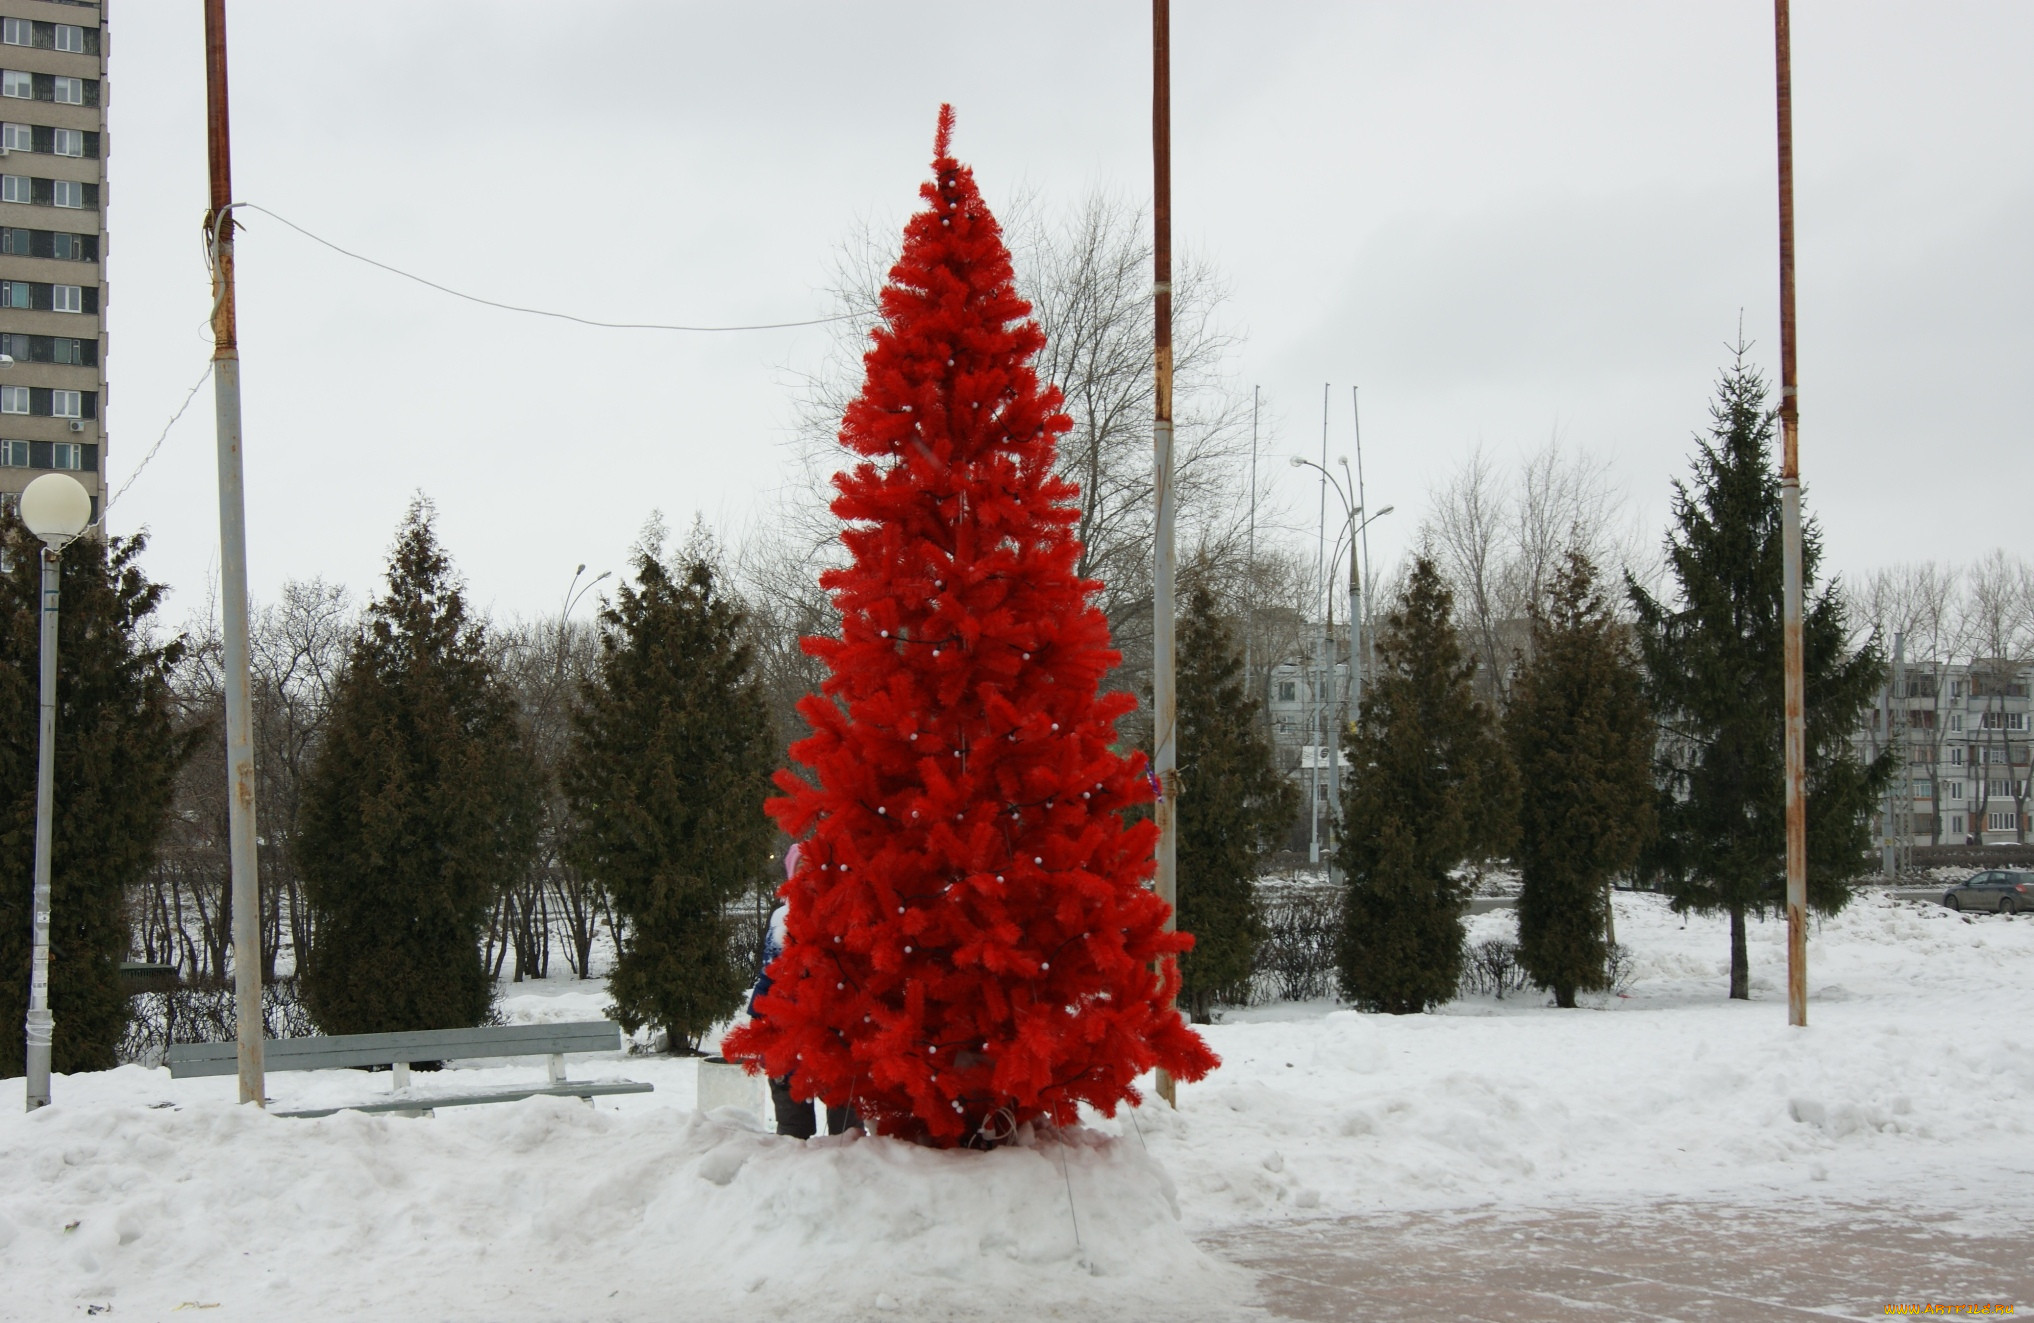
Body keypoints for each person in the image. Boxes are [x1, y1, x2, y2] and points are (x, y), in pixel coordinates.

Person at [750, 842, 857, 1138]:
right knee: (793, 1126)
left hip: (836, 1035)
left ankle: (850, 1171)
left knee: (846, 1126)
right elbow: (768, 979)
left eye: (813, 869)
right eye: (801, 870)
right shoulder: (781, 923)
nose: (808, 878)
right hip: (788, 1034)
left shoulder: (840, 918)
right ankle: (791, 1174)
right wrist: (760, 1025)